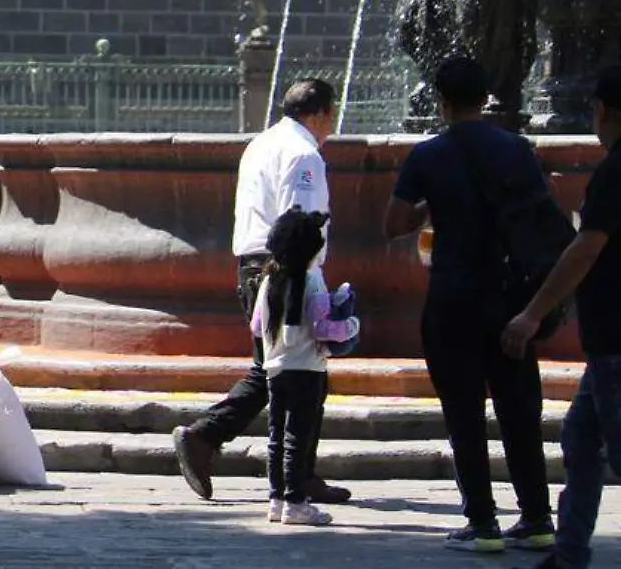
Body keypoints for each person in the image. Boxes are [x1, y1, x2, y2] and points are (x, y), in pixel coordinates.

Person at [385, 56, 553, 553]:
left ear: (441, 101)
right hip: (508, 296)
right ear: (486, 98)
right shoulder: (517, 150)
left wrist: (430, 206)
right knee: (519, 408)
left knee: (464, 411)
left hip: (454, 297)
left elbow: (393, 224)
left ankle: (482, 524)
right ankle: (538, 518)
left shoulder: (428, 156)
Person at [174, 78, 349, 505]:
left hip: (254, 266)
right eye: (333, 113)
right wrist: (302, 282)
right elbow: (300, 221)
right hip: (286, 268)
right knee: (288, 372)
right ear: (320, 113)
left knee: (287, 371)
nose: (333, 123)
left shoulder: (261, 143)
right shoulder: (304, 153)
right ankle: (206, 435)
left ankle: (300, 472)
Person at [502, 65, 621, 569]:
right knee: (580, 437)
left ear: (604, 110)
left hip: (617, 337)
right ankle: (570, 553)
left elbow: (585, 249)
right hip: (606, 341)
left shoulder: (615, 171)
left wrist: (532, 313)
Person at [253, 208, 359, 527]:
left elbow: (257, 327)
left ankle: (277, 499)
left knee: (277, 437)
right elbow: (322, 328)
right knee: (299, 436)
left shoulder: (268, 279)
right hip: (307, 370)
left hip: (275, 368)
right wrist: (351, 325)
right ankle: (296, 502)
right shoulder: (312, 281)